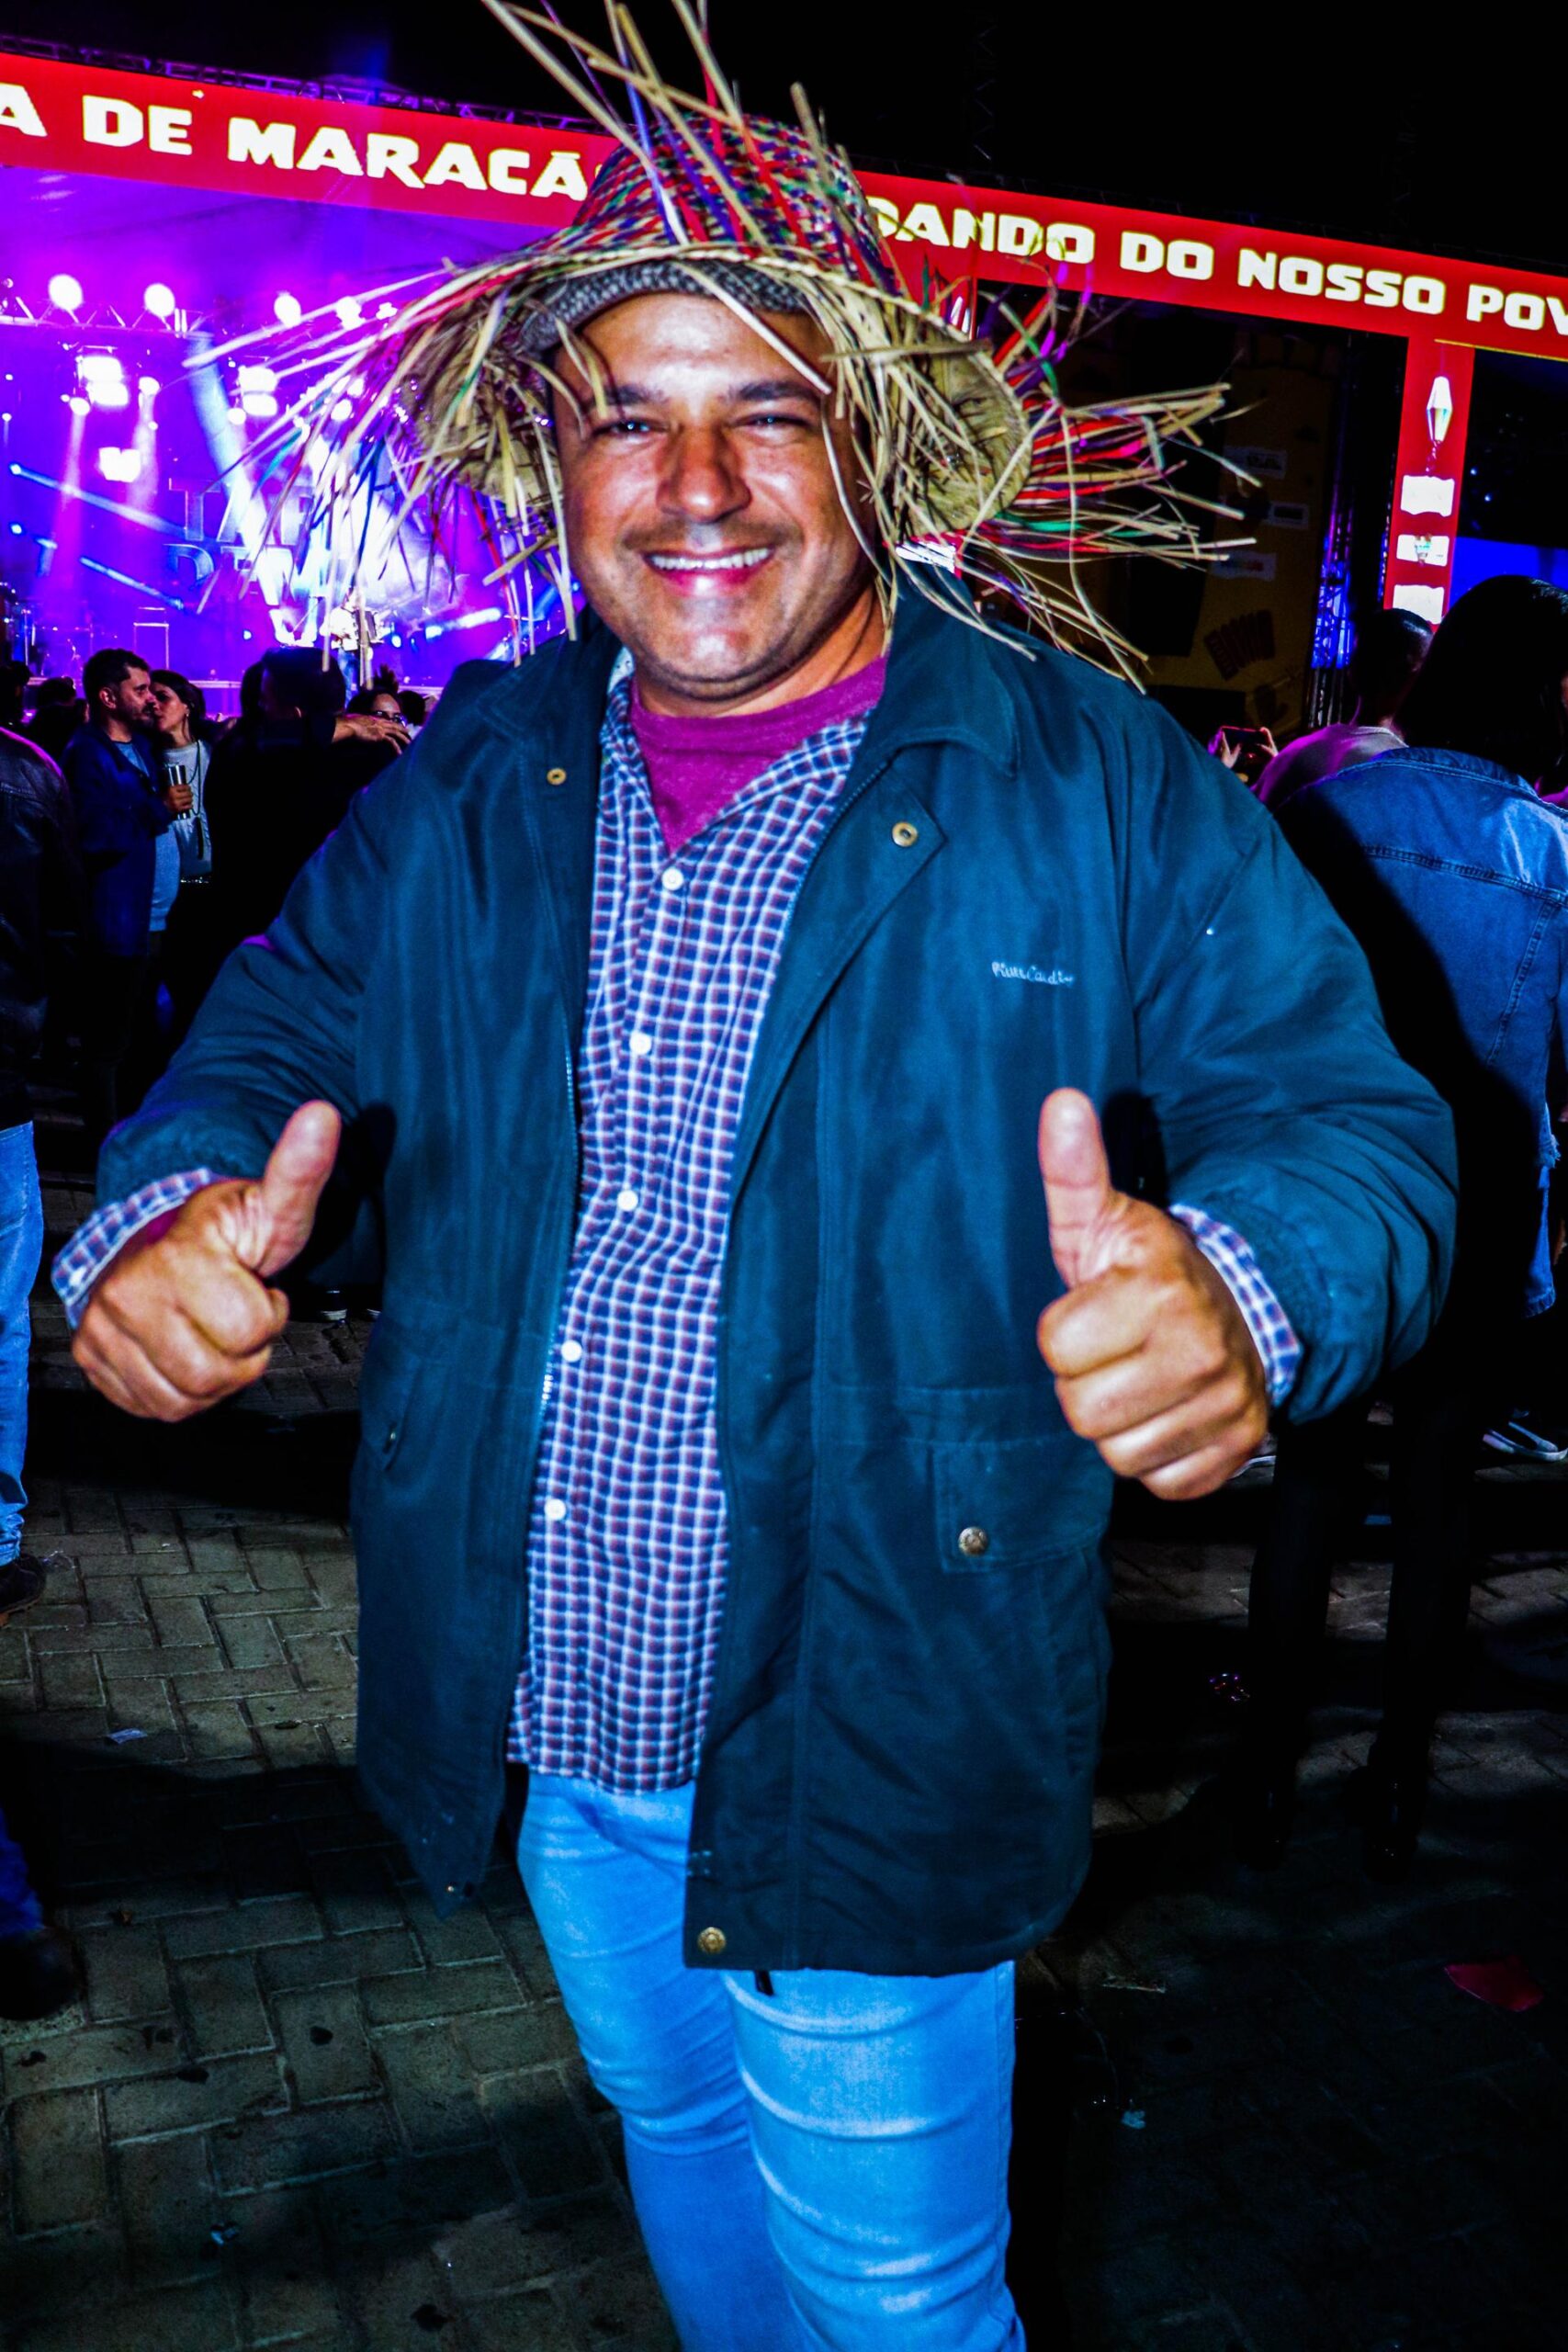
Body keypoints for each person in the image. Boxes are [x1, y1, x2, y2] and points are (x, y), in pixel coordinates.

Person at [53, 18, 1455, 2347]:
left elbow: (1359, 1120)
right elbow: (268, 1037)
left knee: (898, 2299)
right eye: (629, 414)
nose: (694, 484)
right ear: (552, 450)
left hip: (875, 1715)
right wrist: (152, 1223)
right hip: (556, 1715)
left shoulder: (1084, 777)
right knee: (676, 2137)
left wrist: (1246, 1283)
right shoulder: (477, 772)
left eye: (768, 409)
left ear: (867, 441)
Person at [1238, 574, 1568, 1880]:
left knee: (1310, 1481)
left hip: (1339, 1200)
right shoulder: (1551, 857)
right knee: (1437, 1495)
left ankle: (1265, 1770)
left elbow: (1248, 1005)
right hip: (1481, 1216)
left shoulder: (1326, 815)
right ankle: (1393, 1779)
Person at [0, 719, 86, 2021]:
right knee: (2, 1327)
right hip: (3, 1083)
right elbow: (60, 921)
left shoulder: (31, 769)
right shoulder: (26, 769)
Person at [200, 647, 404, 976]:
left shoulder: (251, 758)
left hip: (265, 937)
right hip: (353, 941)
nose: (259, 709)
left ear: (294, 715)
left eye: (265, 701)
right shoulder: (383, 753)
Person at [62, 649, 190, 1148]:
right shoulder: (87, 754)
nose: (149, 698)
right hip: (119, 924)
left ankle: (136, 1141)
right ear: (107, 697)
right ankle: (106, 1151)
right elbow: (94, 835)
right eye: (140, 690)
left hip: (153, 921)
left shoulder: (141, 745)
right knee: (109, 1047)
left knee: (144, 1040)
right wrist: (156, 809)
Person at [1256, 607, 1433, 810]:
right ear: (1408, 675)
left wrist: (1280, 767)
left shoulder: (1296, 754)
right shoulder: (1405, 770)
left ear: (1354, 668)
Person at [149, 668, 218, 1042]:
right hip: (170, 888)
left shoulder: (215, 749)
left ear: (187, 705)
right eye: (150, 698)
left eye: (163, 697)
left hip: (212, 883)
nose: (154, 705)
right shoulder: (146, 757)